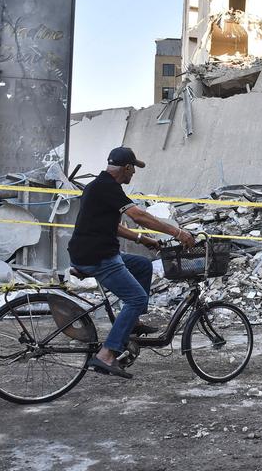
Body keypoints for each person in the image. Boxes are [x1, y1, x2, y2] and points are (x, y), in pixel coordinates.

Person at [68, 146, 195, 379]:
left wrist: (142, 238)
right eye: (133, 169)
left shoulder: (97, 186)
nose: (134, 174)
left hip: (87, 252)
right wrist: (178, 233)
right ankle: (107, 355)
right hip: (98, 257)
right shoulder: (109, 188)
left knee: (142, 266)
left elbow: (112, 226)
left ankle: (132, 322)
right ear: (126, 168)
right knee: (136, 298)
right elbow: (139, 216)